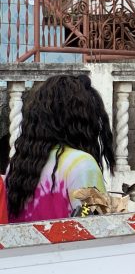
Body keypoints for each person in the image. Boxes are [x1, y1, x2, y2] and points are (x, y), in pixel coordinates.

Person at [6, 74, 112, 223]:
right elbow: (98, 227)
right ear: (83, 121)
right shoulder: (82, 165)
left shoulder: (18, 165)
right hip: (70, 246)